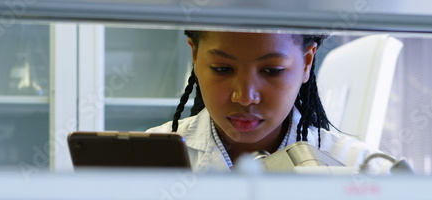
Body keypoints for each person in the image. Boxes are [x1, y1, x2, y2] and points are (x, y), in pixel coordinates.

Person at [147, 30, 391, 173]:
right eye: (222, 69)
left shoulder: (361, 169)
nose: (244, 97)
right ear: (195, 56)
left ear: (307, 62)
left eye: (271, 70)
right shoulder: (146, 160)